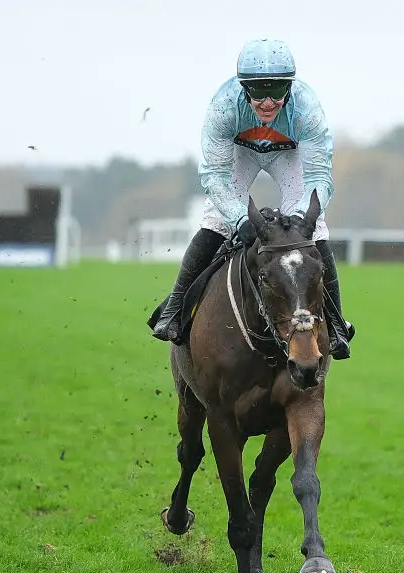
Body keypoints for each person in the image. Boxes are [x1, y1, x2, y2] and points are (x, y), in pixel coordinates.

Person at [150, 38, 356, 360]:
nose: (268, 102)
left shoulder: (307, 108)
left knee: (314, 231)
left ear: (291, 86)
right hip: (241, 153)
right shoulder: (223, 106)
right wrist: (239, 219)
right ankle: (174, 310)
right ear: (243, 87)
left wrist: (303, 218)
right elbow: (215, 176)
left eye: (277, 90)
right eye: (258, 91)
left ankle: (336, 326)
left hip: (288, 154)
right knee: (215, 220)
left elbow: (319, 176)